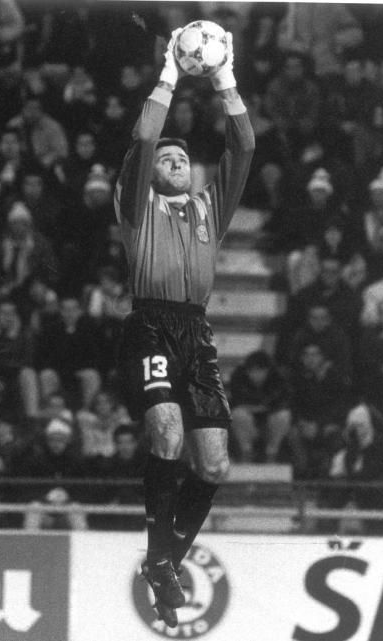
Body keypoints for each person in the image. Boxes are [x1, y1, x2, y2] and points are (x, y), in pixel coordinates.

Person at [114, 28, 255, 627]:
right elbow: (146, 135)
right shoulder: (135, 204)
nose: (175, 162)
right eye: (167, 160)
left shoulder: (207, 210)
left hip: (195, 333)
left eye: (182, 159)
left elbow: (243, 147)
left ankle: (166, 560)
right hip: (150, 323)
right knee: (166, 436)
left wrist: (224, 80)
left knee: (215, 465)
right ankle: (157, 555)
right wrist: (171, 73)